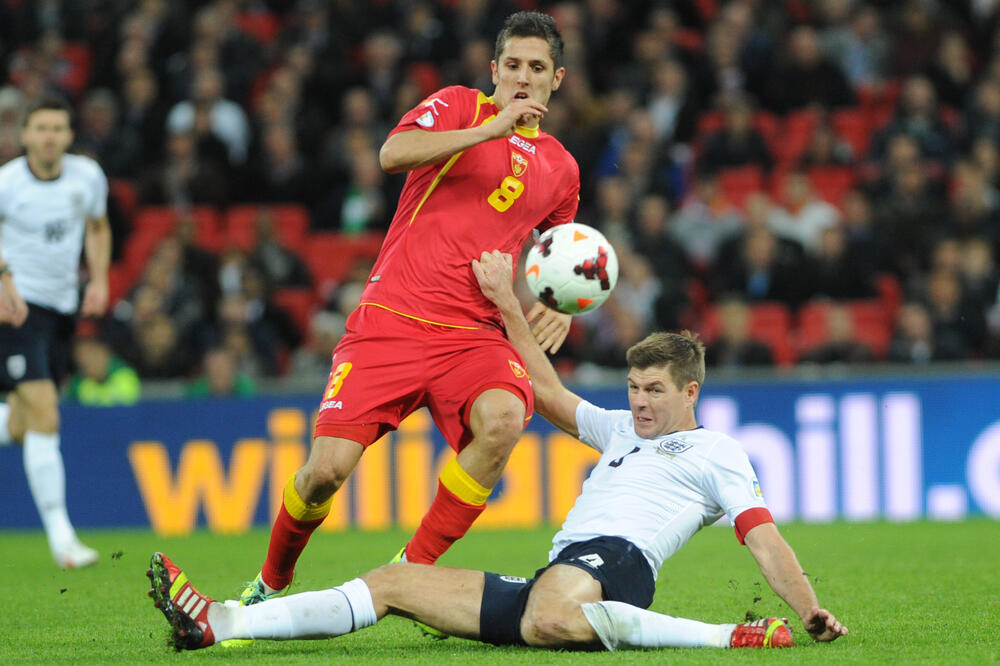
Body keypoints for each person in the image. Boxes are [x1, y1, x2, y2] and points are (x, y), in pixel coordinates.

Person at [145, 250, 848, 652]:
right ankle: (220, 623)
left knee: (550, 614)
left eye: (654, 390)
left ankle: (731, 636)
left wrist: (810, 606)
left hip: (619, 567)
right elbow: (543, 392)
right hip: (563, 572)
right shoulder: (620, 431)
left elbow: (762, 538)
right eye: (633, 387)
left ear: (689, 391)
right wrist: (509, 308)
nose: (638, 401)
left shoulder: (714, 449)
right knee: (393, 585)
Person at [229, 11, 580, 615]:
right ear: (495, 70)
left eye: (538, 68)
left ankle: (410, 570)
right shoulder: (458, 107)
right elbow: (393, 152)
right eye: (514, 65)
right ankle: (271, 582)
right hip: (392, 319)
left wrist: (563, 304)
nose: (524, 78)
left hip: (473, 335)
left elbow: (558, 256)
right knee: (324, 474)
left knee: (502, 420)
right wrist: (491, 130)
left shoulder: (562, 169)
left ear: (557, 79)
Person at [0, 95, 111, 569]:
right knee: (46, 416)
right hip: (17, 310)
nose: (49, 137)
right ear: (24, 135)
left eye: (58, 129)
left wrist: (101, 277)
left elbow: (98, 226)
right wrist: (4, 278)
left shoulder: (87, 177)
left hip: (63, 311)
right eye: (40, 128)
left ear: (68, 136)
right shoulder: (7, 184)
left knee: (25, 424)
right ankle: (63, 540)